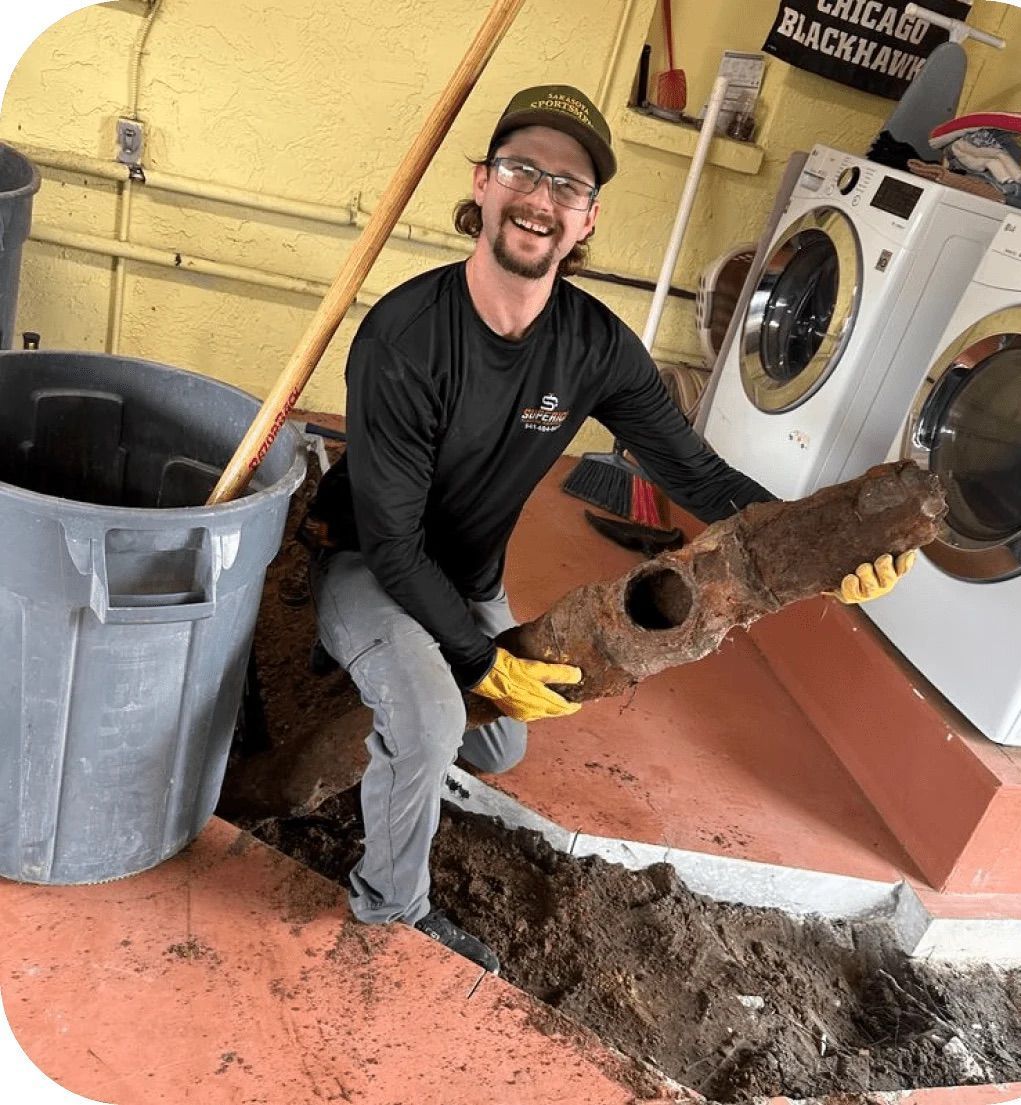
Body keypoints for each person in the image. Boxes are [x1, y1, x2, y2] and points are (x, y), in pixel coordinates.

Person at [307, 84, 914, 974]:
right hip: (367, 561)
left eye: (567, 186)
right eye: (522, 169)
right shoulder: (406, 336)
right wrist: (475, 660)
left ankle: (394, 688)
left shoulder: (593, 344)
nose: (540, 197)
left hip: (468, 575)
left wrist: (828, 549)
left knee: (502, 745)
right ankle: (389, 906)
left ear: (588, 220)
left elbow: (696, 474)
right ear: (481, 183)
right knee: (441, 716)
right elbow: (393, 544)